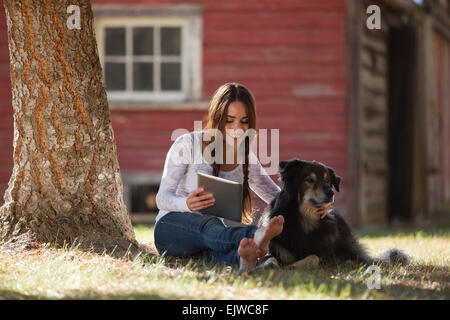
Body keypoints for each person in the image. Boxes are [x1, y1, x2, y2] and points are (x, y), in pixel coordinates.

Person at [154, 82, 284, 271]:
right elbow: (161, 198)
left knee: (217, 250)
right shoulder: (188, 144)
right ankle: (256, 236)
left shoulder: (245, 158)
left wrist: (317, 210)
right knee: (209, 226)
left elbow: (275, 196)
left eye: (244, 121)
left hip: (211, 240)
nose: (237, 128)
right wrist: (186, 204)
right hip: (170, 228)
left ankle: (248, 261)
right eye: (229, 120)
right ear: (217, 118)